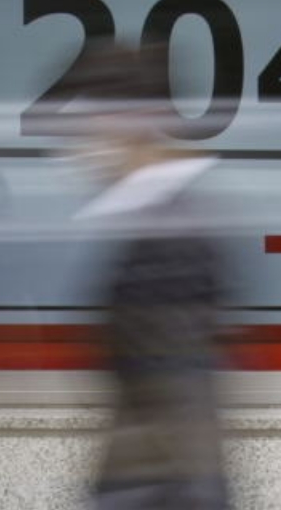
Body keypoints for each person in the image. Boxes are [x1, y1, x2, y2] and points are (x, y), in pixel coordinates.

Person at [45, 42, 231, 510]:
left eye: (84, 127)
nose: (77, 148)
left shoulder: (169, 234)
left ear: (128, 120)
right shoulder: (148, 221)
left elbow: (179, 400)